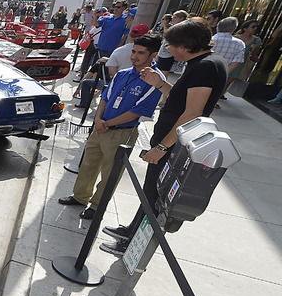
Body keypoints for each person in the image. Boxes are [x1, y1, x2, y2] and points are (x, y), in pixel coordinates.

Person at [100, 18, 228, 256]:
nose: (168, 51)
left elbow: (192, 112)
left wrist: (161, 146)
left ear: (184, 45)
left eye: (171, 45)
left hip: (173, 143)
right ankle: (132, 231)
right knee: (150, 190)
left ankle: (132, 246)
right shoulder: (202, 63)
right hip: (169, 137)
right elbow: (181, 101)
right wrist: (160, 84)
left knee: (155, 195)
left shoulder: (205, 66)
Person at [59, 33, 165, 219]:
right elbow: (105, 97)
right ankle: (80, 196)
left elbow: (136, 111)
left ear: (153, 55)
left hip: (121, 133)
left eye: (140, 53)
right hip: (100, 127)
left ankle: (97, 205)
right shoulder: (122, 74)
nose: (134, 56)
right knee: (88, 164)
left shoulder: (155, 81)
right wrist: (98, 119)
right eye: (133, 51)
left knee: (109, 172)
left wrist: (107, 123)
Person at [211, 17, 244, 100]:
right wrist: (223, 72)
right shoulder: (239, 44)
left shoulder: (209, 39)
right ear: (234, 29)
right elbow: (237, 62)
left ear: (218, 27)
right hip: (221, 73)